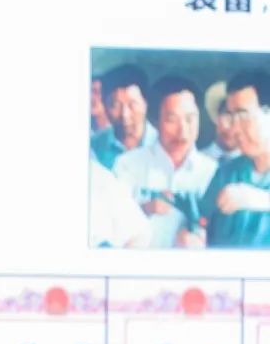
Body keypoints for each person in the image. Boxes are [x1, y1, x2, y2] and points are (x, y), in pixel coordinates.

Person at [112, 75, 217, 248]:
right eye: (172, 120)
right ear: (155, 121)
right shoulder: (127, 165)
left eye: (190, 119)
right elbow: (111, 222)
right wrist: (144, 209)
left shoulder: (213, 171)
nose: (183, 130)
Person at [201, 71, 270, 247]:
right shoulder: (226, 174)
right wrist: (193, 234)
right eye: (231, 117)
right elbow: (200, 222)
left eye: (243, 116)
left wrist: (258, 199)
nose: (234, 128)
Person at [91, 64, 158, 169]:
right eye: (115, 106)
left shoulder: (164, 145)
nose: (125, 115)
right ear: (104, 106)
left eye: (132, 105)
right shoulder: (93, 147)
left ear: (146, 103)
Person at [202, 80, 241, 164]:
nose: (233, 123)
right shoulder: (196, 162)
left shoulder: (256, 165)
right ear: (217, 117)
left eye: (240, 116)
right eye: (227, 114)